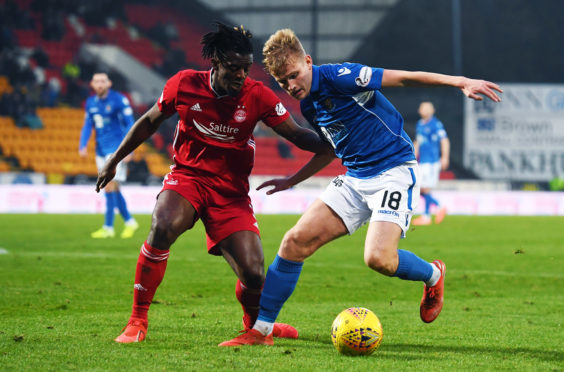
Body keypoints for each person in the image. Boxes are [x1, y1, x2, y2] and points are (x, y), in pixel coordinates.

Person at [220, 28, 502, 346]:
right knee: (293, 243)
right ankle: (261, 332)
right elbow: (329, 150)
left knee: (379, 259)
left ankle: (433, 275)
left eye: (294, 75)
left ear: (308, 61)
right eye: (284, 82)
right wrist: (293, 180)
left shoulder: (342, 76)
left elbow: (405, 78)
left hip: (394, 169)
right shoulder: (309, 105)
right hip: (356, 177)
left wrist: (460, 82)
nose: (291, 86)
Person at [95, 23, 331, 343]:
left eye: (246, 69)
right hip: (188, 177)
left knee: (253, 272)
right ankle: (137, 320)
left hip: (231, 193)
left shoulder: (257, 95)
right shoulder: (184, 84)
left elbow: (298, 135)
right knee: (163, 225)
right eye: (234, 68)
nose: (241, 76)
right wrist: (114, 159)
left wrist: (338, 140)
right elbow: (150, 120)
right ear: (216, 62)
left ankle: (255, 325)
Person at [79, 72, 138, 239]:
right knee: (112, 187)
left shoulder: (119, 100)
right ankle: (129, 221)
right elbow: (87, 125)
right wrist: (82, 145)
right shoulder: (90, 103)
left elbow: (130, 125)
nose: (99, 84)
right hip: (100, 150)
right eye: (96, 81)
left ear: (109, 83)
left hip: (116, 150)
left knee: (109, 186)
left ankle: (108, 227)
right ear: (91, 83)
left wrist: (129, 149)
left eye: (102, 81)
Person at [412, 101, 450, 225]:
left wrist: (444, 157)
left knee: (424, 188)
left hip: (432, 161)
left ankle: (428, 215)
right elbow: (418, 142)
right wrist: (412, 157)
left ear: (432, 111)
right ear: (419, 110)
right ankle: (437, 208)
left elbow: (444, 140)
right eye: (423, 108)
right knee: (421, 188)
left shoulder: (435, 124)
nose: (425, 110)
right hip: (423, 161)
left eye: (428, 108)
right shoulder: (420, 124)